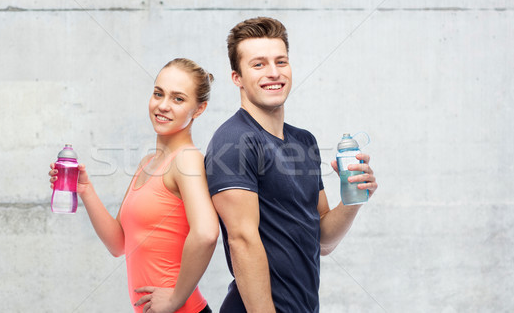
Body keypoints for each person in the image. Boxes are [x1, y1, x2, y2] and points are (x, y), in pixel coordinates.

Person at [204, 17, 378, 313]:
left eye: (281, 62)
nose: (274, 73)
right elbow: (242, 242)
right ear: (237, 77)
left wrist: (353, 199)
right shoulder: (234, 141)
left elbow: (322, 240)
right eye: (258, 64)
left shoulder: (304, 142)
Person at [49, 58, 219, 313]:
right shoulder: (147, 163)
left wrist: (175, 299)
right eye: (158, 94)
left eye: (178, 99)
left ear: (199, 109)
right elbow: (119, 244)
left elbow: (206, 234)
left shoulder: (186, 159)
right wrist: (85, 189)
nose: (162, 106)